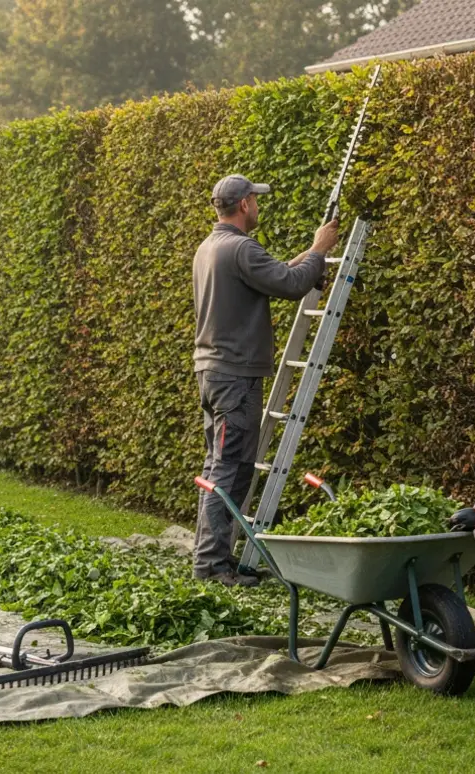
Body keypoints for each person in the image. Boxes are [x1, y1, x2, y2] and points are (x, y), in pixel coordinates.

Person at [192, 174, 341, 587]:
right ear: (243, 206)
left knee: (224, 466)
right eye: (255, 201)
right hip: (234, 376)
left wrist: (307, 262)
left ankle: (214, 560)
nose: (258, 206)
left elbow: (275, 274)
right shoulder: (241, 248)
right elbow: (290, 285)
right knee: (226, 470)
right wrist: (318, 249)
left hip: (215, 372)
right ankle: (211, 568)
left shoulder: (212, 247)